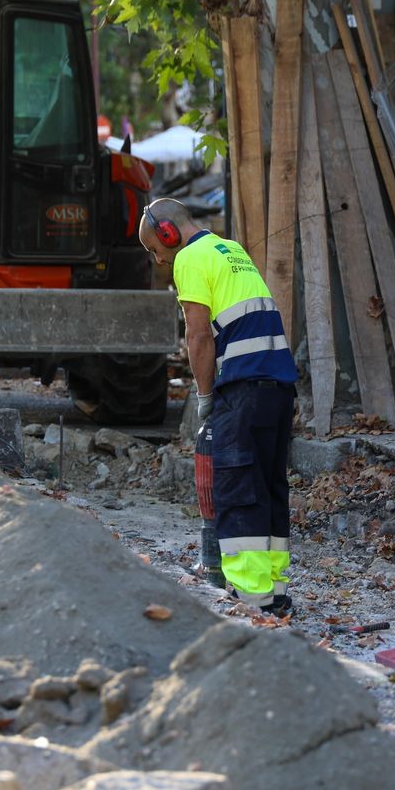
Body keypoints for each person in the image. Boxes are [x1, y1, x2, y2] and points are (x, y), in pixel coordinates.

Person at [138, 198, 299, 616]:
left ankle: (251, 601)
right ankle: (274, 592)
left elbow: (198, 337)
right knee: (268, 488)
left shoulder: (189, 258)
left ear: (169, 233)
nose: (157, 259)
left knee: (238, 489)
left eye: (155, 248)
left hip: (243, 388)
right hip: (279, 386)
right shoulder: (231, 249)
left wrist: (206, 397)